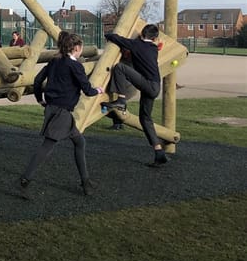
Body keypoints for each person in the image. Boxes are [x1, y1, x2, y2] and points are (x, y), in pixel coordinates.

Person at [19, 31, 103, 199]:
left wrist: (39, 99)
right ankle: (24, 180)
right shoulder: (75, 66)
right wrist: (98, 90)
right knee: (47, 146)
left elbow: (37, 80)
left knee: (80, 142)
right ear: (77, 48)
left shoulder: (54, 61)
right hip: (61, 112)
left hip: (56, 110)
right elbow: (87, 90)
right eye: (81, 48)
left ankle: (85, 182)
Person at [103, 24, 166, 167]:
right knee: (145, 119)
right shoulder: (153, 48)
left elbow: (116, 38)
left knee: (119, 68)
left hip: (147, 84)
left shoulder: (136, 45)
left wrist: (108, 35)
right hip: (155, 86)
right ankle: (159, 152)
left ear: (142, 35)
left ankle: (121, 99)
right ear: (155, 38)